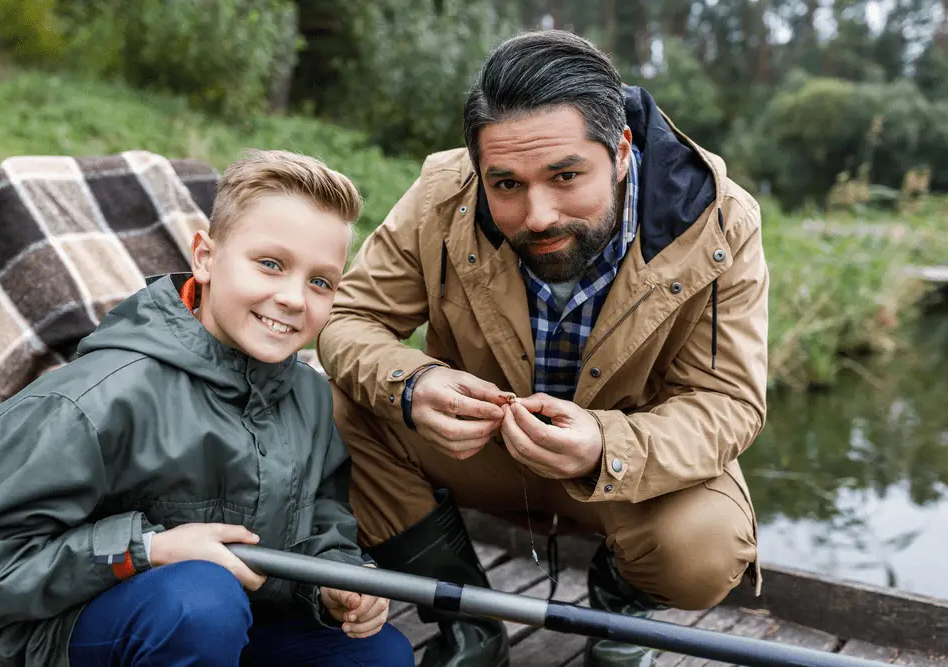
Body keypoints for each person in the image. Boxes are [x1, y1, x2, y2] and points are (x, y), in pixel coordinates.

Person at [316, 30, 768, 667]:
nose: (537, 215)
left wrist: (604, 445)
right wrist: (413, 383)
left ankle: (620, 612)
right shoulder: (441, 195)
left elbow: (727, 404)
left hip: (628, 472)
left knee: (706, 549)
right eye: (505, 185)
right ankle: (463, 615)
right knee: (329, 403)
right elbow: (350, 317)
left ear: (620, 151)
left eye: (565, 176)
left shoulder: (721, 222)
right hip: (480, 445)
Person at [0, 149, 415, 667]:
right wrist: (149, 549)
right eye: (270, 264)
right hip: (76, 630)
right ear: (205, 257)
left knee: (381, 655)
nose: (293, 297)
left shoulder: (308, 396)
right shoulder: (94, 398)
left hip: (233, 620)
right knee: (199, 603)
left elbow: (323, 523)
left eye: (320, 281)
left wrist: (335, 584)